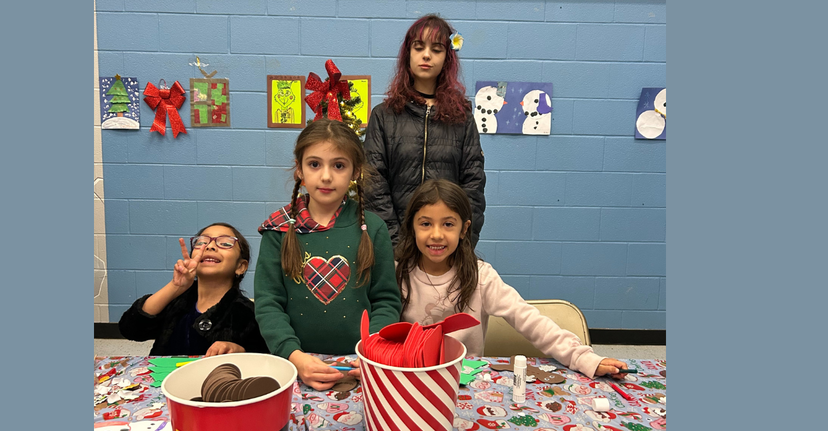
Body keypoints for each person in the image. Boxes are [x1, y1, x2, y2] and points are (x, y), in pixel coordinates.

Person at [395, 180, 627, 379]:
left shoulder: (481, 277)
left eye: (448, 224)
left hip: (463, 385)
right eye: (425, 224)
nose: (436, 234)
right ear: (412, 227)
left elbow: (528, 319)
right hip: (406, 377)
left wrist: (582, 357)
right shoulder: (397, 273)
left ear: (464, 229)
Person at [255, 119, 402, 390]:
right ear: (299, 169)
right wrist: (295, 357)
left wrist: (372, 351)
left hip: (362, 366)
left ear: (355, 171)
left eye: (338, 165)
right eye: (314, 164)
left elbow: (386, 301)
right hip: (294, 365)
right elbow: (268, 304)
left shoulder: (373, 228)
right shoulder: (277, 229)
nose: (326, 176)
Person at [364, 14, 486, 248]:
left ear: (447, 58)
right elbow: (373, 186)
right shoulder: (384, 115)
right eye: (418, 47)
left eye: (437, 49)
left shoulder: (462, 118)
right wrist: (397, 245)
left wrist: (461, 244)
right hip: (395, 250)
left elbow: (473, 186)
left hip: (446, 247)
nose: (427, 55)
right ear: (408, 54)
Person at [119, 222, 268, 356]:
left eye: (225, 243)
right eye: (202, 242)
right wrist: (174, 287)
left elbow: (264, 358)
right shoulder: (176, 300)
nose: (210, 246)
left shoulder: (249, 313)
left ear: (240, 266)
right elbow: (131, 330)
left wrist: (240, 351)